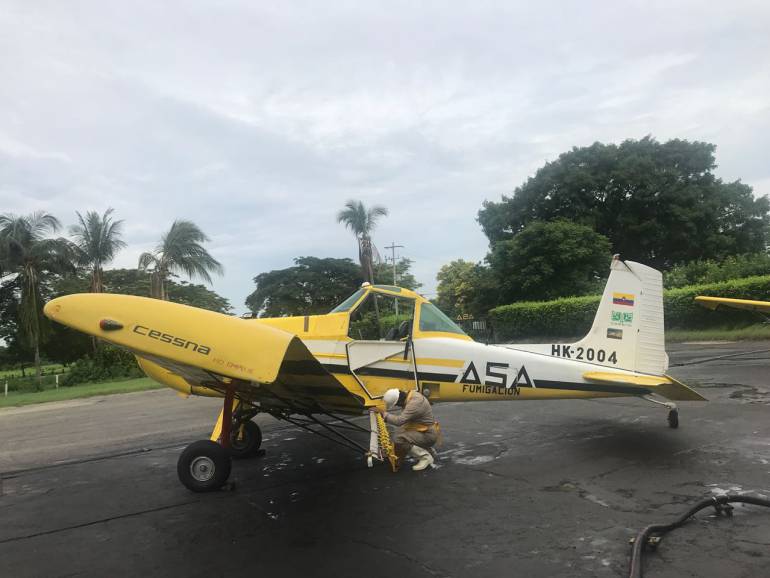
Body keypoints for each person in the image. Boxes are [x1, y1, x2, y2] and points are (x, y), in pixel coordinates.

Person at [377, 388, 439, 471]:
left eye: (397, 404)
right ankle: (428, 449)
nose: (398, 406)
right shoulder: (412, 395)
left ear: (399, 400)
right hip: (423, 430)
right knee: (400, 432)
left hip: (427, 435)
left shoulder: (414, 403)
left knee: (398, 439)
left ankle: (425, 457)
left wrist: (383, 414)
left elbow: (399, 421)